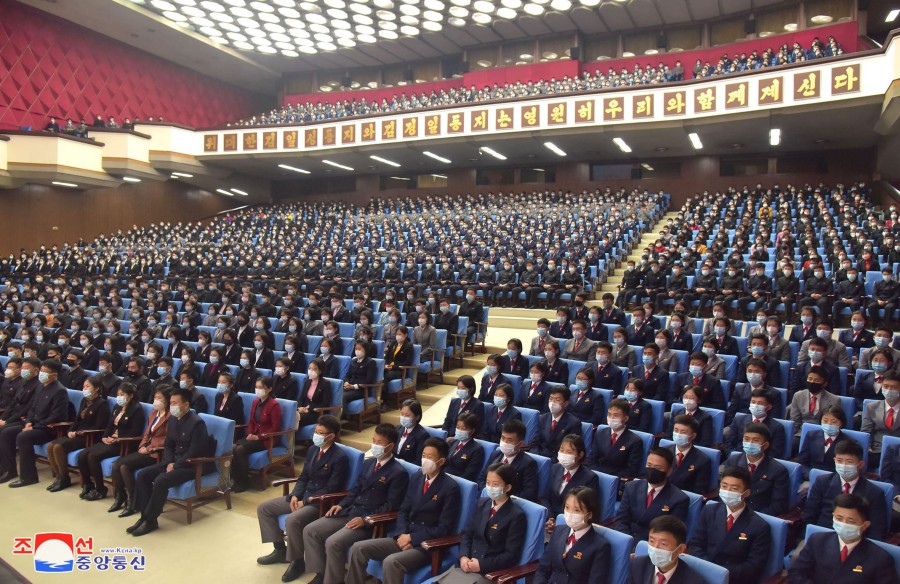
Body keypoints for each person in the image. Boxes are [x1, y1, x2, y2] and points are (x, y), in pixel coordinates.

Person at [301, 424, 409, 584]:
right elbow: (355, 489)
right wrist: (341, 505)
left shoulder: (398, 473)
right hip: (350, 510)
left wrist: (365, 520)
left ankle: (333, 581)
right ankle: (321, 574)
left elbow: (391, 506)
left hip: (368, 521)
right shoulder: (369, 463)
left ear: (390, 446)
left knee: (333, 542)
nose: (375, 445)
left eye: (379, 443)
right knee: (311, 530)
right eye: (373, 441)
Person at [345, 437, 461, 584]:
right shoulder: (417, 477)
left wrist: (412, 538)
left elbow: (444, 528)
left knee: (391, 562)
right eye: (423, 455)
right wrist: (403, 534)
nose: (425, 460)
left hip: (426, 545)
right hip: (403, 535)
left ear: (441, 461)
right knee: (358, 548)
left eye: (430, 457)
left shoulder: (450, 488)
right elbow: (403, 510)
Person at [256, 416, 348, 579]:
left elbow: (332, 488)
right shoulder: (313, 449)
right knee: (264, 508)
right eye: (316, 431)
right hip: (303, 496)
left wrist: (304, 501)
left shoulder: (339, 457)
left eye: (321, 433)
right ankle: (280, 550)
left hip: (319, 502)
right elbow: (304, 477)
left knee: (292, 520)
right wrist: (295, 495)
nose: (316, 435)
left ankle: (297, 561)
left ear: (331, 436)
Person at [127, 387, 211, 536]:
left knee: (160, 481)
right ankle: (144, 516)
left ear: (186, 405)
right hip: (172, 461)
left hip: (190, 465)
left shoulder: (197, 423)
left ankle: (150, 520)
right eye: (170, 403)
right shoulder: (172, 419)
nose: (171, 406)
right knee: (143, 475)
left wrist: (176, 465)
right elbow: (168, 445)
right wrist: (168, 462)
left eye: (175, 403)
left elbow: (195, 452)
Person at [431, 463, 526, 583]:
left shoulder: (516, 515)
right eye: (488, 483)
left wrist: (481, 565)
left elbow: (511, 555)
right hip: (466, 564)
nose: (490, 487)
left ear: (507, 487)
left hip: (489, 571)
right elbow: (467, 534)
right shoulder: (482, 503)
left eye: (495, 484)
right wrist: (463, 556)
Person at [788, 493, 900, 584]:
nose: (844, 524)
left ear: (865, 525)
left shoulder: (880, 558)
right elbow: (797, 572)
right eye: (839, 518)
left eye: (850, 521)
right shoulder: (817, 541)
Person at [688, 466, 772, 584]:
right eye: (724, 486)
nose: (728, 491)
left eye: (734, 488)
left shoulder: (759, 526)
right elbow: (696, 544)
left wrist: (720, 573)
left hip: (733, 579)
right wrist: (707, 568)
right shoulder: (709, 510)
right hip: (703, 573)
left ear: (746, 493)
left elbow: (753, 567)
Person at [0, 359, 68, 487]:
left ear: (54, 375)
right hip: (33, 424)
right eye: (41, 370)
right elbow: (32, 407)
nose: (42, 373)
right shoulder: (41, 386)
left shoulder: (60, 391)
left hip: (47, 429)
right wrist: (29, 422)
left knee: (23, 437)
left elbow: (57, 416)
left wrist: (34, 426)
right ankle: (8, 470)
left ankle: (29, 477)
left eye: (45, 371)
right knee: (6, 432)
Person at [803, 439, 888, 541]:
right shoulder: (822, 482)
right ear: (834, 460)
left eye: (849, 462)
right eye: (839, 461)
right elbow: (809, 515)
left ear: (860, 464)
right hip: (821, 537)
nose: (843, 465)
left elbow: (876, 530)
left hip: (856, 542)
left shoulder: (875, 493)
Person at [77, 383, 145, 500]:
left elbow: (135, 432)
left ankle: (100, 489)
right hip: (110, 440)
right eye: (118, 394)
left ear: (131, 396)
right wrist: (105, 436)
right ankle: (88, 484)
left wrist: (118, 437)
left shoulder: (137, 410)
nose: (119, 397)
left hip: (122, 444)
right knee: (83, 455)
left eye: (122, 394)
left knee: (92, 456)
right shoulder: (117, 407)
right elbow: (110, 425)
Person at [110, 388, 171, 516]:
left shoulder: (170, 417)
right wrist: (142, 445)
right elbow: (146, 434)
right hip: (145, 449)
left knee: (124, 467)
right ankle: (120, 497)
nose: (156, 400)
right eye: (155, 397)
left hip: (157, 453)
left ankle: (133, 503)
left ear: (167, 400)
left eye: (159, 398)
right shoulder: (154, 413)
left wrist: (148, 448)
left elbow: (168, 439)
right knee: (116, 465)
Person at [45, 376, 110, 492]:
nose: (84, 389)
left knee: (58, 447)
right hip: (77, 433)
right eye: (84, 386)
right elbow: (77, 420)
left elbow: (99, 426)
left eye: (87, 386)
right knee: (51, 446)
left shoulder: (102, 404)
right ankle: (59, 477)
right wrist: (70, 430)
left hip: (89, 436)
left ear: (96, 388)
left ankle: (65, 478)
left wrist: (78, 433)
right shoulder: (84, 400)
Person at [535, 486, 610, 584]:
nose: (570, 513)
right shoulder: (558, 531)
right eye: (567, 507)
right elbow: (543, 568)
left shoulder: (600, 546)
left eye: (577, 510)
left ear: (590, 514)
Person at [615, 447, 689, 542]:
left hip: (651, 544)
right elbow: (621, 520)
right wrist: (626, 541)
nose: (652, 470)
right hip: (626, 539)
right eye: (649, 465)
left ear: (669, 471)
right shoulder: (631, 487)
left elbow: (669, 533)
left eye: (658, 468)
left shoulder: (679, 499)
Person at [723, 422, 790, 516]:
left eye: (755, 440)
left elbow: (779, 504)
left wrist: (753, 518)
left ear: (765, 445)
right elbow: (724, 489)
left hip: (758, 515)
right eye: (746, 439)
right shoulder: (733, 461)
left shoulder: (778, 470)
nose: (750, 443)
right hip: (731, 512)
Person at [232, 376, 282, 493]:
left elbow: (275, 428)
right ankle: (236, 480)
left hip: (267, 439)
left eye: (261, 387)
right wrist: (250, 433)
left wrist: (258, 437)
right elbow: (251, 422)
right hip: (254, 436)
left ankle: (244, 481)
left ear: (269, 389)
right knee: (233, 447)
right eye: (256, 387)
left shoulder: (274, 405)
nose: (258, 390)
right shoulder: (255, 402)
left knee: (239, 450)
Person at [543, 434, 600, 528]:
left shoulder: (590, 478)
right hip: (550, 520)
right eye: (561, 450)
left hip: (572, 523)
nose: (564, 454)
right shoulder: (555, 468)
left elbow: (587, 510)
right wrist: (550, 518)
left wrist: (560, 522)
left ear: (580, 455)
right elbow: (545, 496)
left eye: (569, 452)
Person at [479, 419, 538, 502]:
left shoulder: (528, 463)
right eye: (503, 438)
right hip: (488, 499)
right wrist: (489, 491)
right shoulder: (495, 455)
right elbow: (481, 479)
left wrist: (502, 496)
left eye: (510, 440)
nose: (505, 442)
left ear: (520, 444)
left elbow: (529, 494)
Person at [629, 515, 699, 584]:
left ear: (681, 549)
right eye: (652, 541)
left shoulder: (693, 581)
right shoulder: (637, 565)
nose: (655, 548)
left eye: (663, 544)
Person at [788, 365, 840, 453]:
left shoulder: (834, 400)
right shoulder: (798, 396)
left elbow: (834, 422)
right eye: (810, 379)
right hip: (801, 433)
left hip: (822, 434)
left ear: (824, 383)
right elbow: (795, 420)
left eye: (817, 380)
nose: (812, 382)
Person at [587, 398, 644, 478]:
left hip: (617, 478)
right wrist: (598, 474)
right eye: (609, 414)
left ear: (626, 418)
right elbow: (592, 459)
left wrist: (610, 478)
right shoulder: (600, 433)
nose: (611, 418)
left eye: (616, 415)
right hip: (596, 474)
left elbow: (631, 469)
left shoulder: (634, 441)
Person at [725, 388, 787, 459]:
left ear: (769, 407)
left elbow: (775, 453)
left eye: (760, 403)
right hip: (736, 460)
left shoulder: (777, 427)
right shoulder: (738, 420)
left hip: (762, 463)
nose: (755, 405)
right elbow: (729, 444)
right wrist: (735, 458)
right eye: (753, 402)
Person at [529, 386, 581, 461]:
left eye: (557, 400)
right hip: (539, 456)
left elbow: (568, 450)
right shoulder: (542, 418)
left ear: (565, 403)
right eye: (551, 398)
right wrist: (536, 457)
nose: (552, 402)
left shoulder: (573, 423)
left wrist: (549, 462)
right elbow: (534, 443)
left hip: (556, 460)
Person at [797, 405, 850, 477]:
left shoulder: (847, 442)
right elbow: (802, 462)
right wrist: (811, 475)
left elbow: (844, 470)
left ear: (841, 423)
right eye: (825, 421)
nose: (829, 424)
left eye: (834, 422)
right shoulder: (811, 435)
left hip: (832, 480)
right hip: (810, 477)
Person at [665, 414, 712, 494]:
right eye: (676, 430)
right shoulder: (664, 451)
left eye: (683, 432)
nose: (678, 434)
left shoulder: (702, 460)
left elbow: (698, 491)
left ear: (693, 436)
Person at [860, 371, 900, 459]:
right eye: (886, 386)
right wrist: (868, 447)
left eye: (894, 387)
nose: (889, 390)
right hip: (876, 450)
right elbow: (866, 431)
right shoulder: (872, 407)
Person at [445, 412, 484, 482]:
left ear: (472, 430)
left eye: (463, 428)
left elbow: (468, 474)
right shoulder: (452, 442)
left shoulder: (477, 449)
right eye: (458, 427)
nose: (459, 431)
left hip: (458, 482)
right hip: (444, 477)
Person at [396, 398, 429, 463]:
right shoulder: (399, 428)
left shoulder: (422, 436)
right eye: (402, 414)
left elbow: (418, 461)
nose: (403, 417)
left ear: (417, 417)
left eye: (407, 415)